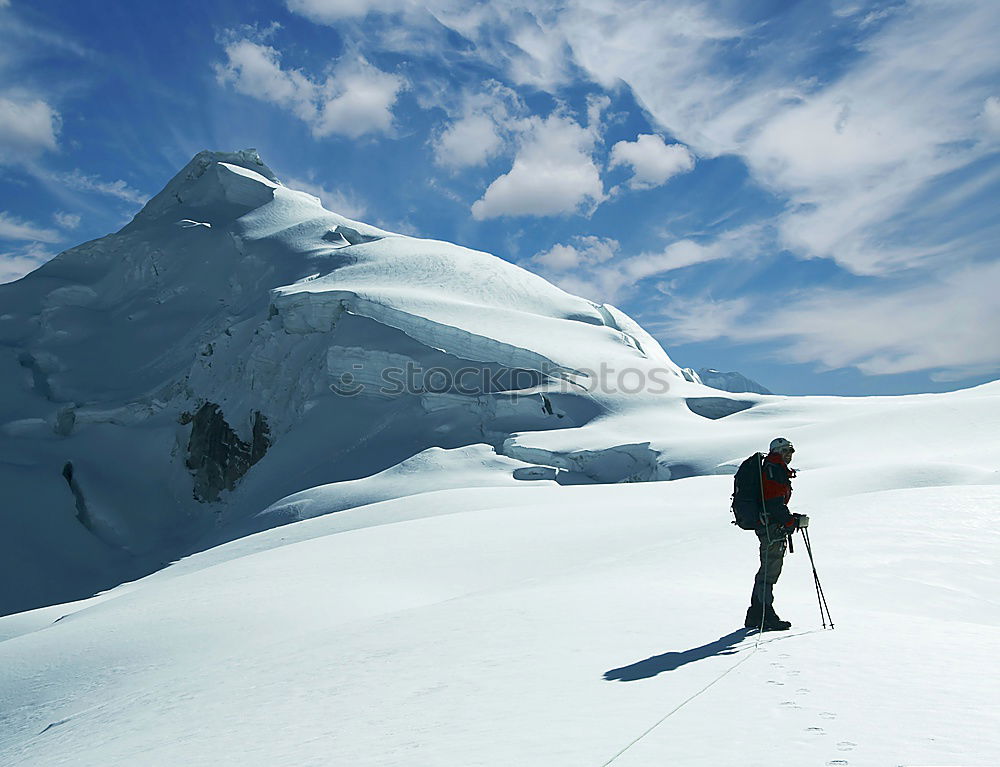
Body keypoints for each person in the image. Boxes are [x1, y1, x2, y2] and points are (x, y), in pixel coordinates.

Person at [745, 437, 805, 631]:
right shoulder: (774, 470)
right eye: (786, 450)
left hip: (767, 524)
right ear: (776, 451)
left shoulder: (772, 468)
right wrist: (790, 521)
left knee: (767, 568)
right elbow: (774, 503)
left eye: (791, 451)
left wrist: (788, 519)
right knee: (770, 570)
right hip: (771, 527)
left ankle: (756, 614)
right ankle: (765, 615)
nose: (789, 454)